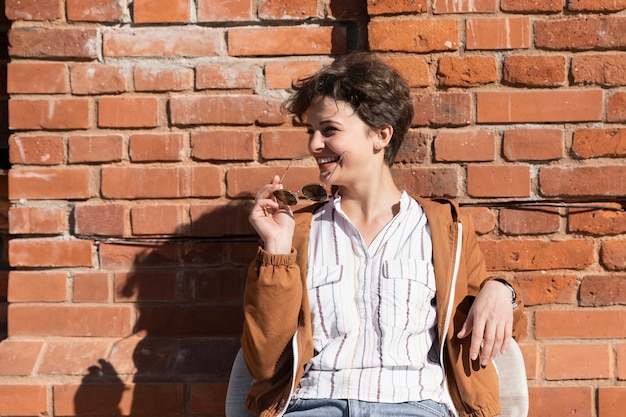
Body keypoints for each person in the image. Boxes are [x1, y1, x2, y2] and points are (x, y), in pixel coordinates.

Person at [241, 52, 523, 417]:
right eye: (311, 132)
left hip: (415, 405)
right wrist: (276, 249)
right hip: (314, 405)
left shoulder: (443, 229)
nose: (313, 144)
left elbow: (485, 317)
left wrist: (502, 290)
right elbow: (263, 364)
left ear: (381, 135)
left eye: (329, 130)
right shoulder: (299, 232)